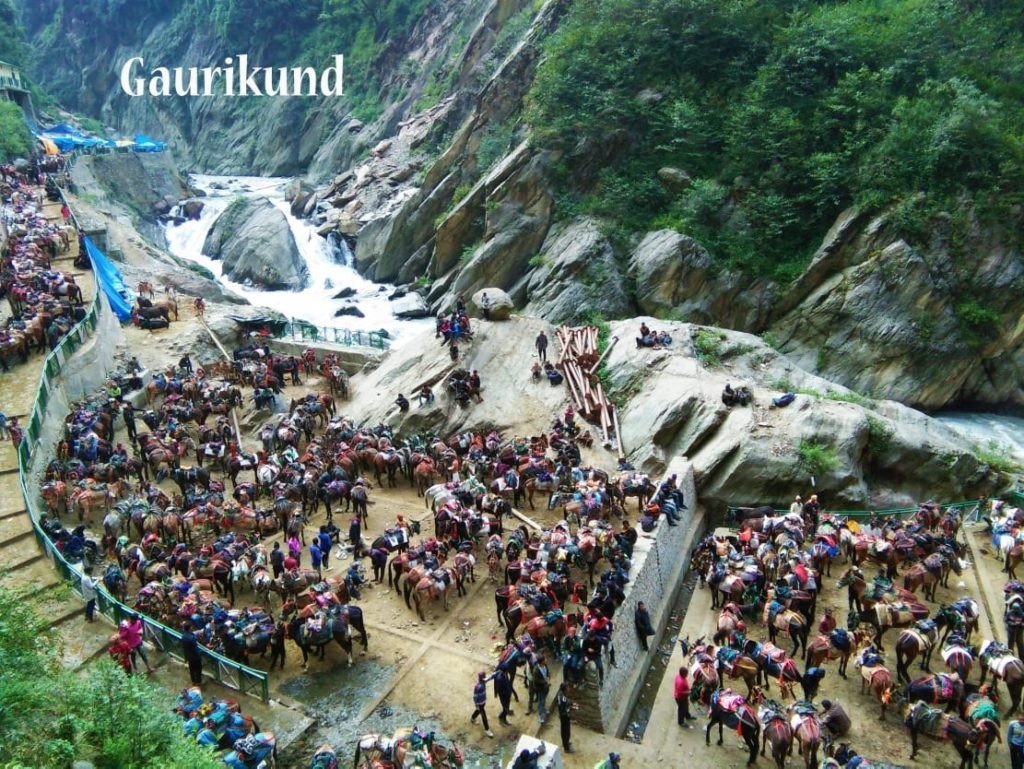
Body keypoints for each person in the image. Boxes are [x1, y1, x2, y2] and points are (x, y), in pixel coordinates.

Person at [471, 671, 494, 737]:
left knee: (478, 711)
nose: (485, 677)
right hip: (480, 704)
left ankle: (472, 718)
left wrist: (494, 674)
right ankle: (487, 729)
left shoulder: (483, 682)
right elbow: (475, 696)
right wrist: (476, 705)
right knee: (484, 716)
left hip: (483, 702)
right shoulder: (477, 686)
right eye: (484, 676)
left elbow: (489, 678)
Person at [554, 682, 576, 753]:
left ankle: (565, 743)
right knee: (566, 732)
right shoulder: (563, 698)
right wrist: (572, 708)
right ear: (564, 689)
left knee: (563, 731)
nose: (569, 689)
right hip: (564, 716)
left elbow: (566, 702)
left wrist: (572, 704)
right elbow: (565, 709)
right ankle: (566, 748)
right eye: (567, 687)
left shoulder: (560, 694)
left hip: (562, 715)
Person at [181, 621, 204, 686]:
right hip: (196, 658)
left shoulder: (183, 636)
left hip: (189, 657)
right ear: (190, 628)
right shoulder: (192, 638)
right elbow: (195, 649)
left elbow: (184, 648)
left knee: (192, 670)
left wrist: (186, 658)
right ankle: (198, 682)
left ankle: (193, 681)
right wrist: (200, 653)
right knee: (198, 670)